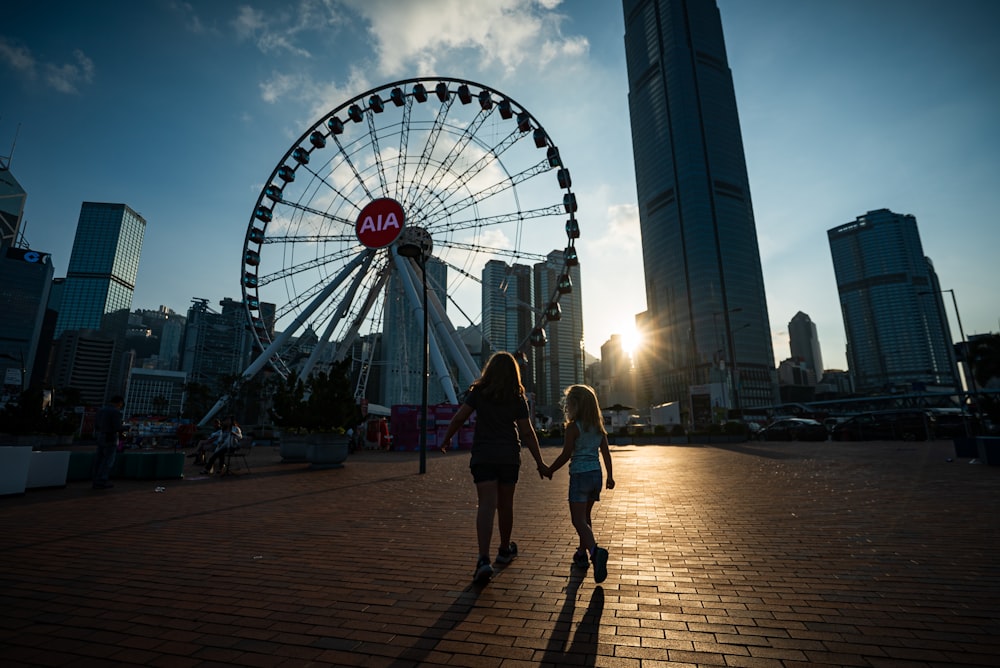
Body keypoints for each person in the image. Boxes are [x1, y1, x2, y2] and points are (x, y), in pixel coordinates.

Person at [440, 351, 549, 584]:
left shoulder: (478, 393)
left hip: (483, 455)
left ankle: (483, 558)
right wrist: (540, 463)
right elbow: (527, 432)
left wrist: (447, 438)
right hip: (508, 456)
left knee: (486, 505)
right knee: (505, 505)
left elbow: (460, 417)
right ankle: (504, 549)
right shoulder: (517, 397)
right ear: (513, 372)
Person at [544, 384, 615, 583]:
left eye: (568, 403)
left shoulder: (573, 427)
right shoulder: (598, 427)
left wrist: (549, 469)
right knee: (585, 517)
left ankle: (595, 552)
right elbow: (606, 453)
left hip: (580, 477)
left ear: (575, 405)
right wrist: (610, 476)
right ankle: (581, 554)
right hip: (596, 476)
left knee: (578, 520)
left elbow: (566, 454)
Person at [92, 395, 125, 490]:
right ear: (119, 403)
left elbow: (96, 425)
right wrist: (125, 429)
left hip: (100, 436)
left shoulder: (101, 410)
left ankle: (95, 480)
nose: (121, 406)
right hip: (110, 437)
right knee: (107, 461)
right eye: (121, 404)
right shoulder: (115, 412)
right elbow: (117, 427)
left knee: (98, 459)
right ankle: (102, 480)